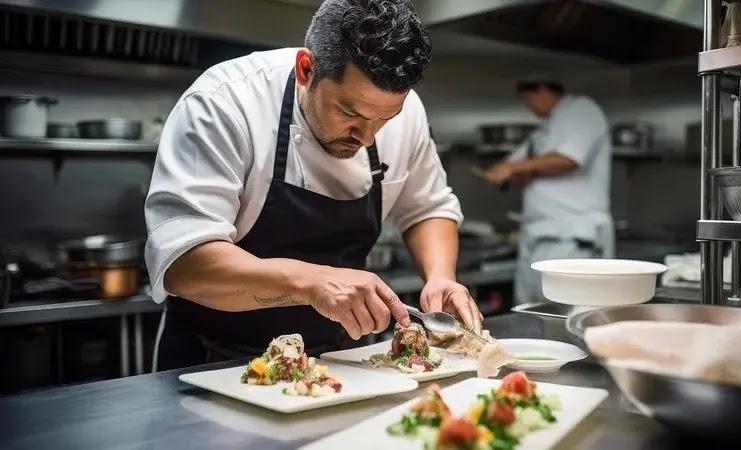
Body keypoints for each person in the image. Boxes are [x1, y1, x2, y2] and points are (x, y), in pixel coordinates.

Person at [145, 0, 482, 371]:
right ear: (306, 69)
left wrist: (439, 278)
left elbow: (427, 207)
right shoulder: (224, 104)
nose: (368, 138)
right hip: (211, 362)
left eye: (385, 118)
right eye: (350, 113)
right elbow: (185, 264)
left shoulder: (407, 110)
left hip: (333, 365)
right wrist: (310, 282)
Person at [482, 80, 613, 304]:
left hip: (572, 237)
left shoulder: (582, 110)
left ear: (541, 90)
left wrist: (511, 168)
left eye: (527, 100)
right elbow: (519, 168)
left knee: (569, 313)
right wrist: (505, 172)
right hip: (537, 237)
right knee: (531, 311)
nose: (529, 107)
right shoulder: (542, 131)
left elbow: (569, 158)